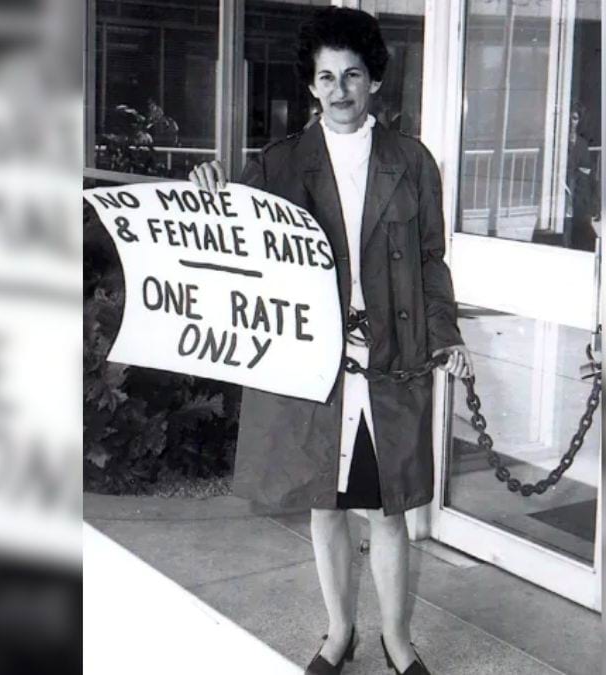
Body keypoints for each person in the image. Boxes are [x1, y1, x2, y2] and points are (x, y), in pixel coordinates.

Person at [189, 8, 471, 675]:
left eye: (351, 75)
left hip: (389, 360)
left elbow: (432, 259)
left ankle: (397, 642)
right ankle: (339, 632)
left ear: (375, 80)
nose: (338, 88)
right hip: (316, 364)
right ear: (311, 85)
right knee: (325, 503)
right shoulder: (282, 164)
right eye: (325, 76)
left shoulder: (412, 162)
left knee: (389, 509)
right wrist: (208, 192)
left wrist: (446, 332)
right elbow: (238, 242)